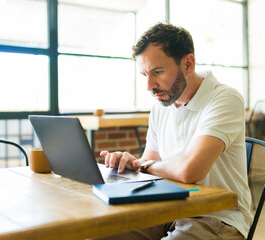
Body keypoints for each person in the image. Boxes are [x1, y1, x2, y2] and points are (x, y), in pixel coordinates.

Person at [99, 23, 252, 240]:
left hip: (218, 217)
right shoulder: (160, 107)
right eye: (145, 75)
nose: (149, 86)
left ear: (188, 64)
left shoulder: (225, 98)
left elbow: (191, 170)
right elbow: (149, 164)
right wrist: (131, 163)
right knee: (99, 235)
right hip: (168, 210)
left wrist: (146, 166)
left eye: (157, 72)